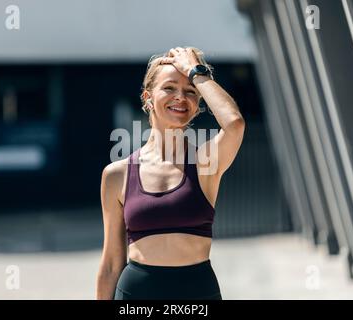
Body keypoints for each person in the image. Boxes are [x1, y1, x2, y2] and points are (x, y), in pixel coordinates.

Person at [96, 46, 245, 300]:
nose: (180, 97)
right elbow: (111, 263)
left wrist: (196, 72)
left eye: (190, 92)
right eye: (169, 88)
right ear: (148, 98)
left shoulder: (205, 163)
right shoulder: (117, 175)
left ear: (198, 104)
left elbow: (234, 123)